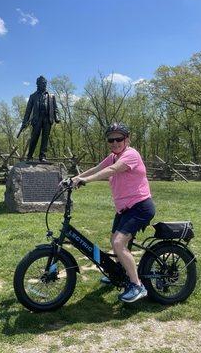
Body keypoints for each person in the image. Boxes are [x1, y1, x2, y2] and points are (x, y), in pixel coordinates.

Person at [72, 122, 155, 303]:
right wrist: (75, 178)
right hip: (125, 209)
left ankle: (137, 285)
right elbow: (97, 168)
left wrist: (86, 181)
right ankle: (119, 274)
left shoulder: (131, 154)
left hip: (140, 206)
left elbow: (111, 170)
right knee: (114, 240)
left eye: (119, 138)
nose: (115, 142)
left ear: (127, 139)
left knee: (118, 243)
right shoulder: (113, 156)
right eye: (111, 139)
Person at [21, 76, 60, 162]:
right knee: (34, 138)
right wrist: (24, 122)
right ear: (38, 84)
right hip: (37, 119)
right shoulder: (33, 96)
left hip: (48, 119)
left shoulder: (51, 96)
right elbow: (28, 111)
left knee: (45, 138)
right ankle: (30, 156)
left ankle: (42, 156)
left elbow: (56, 108)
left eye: (45, 83)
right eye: (43, 83)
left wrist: (57, 116)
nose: (44, 85)